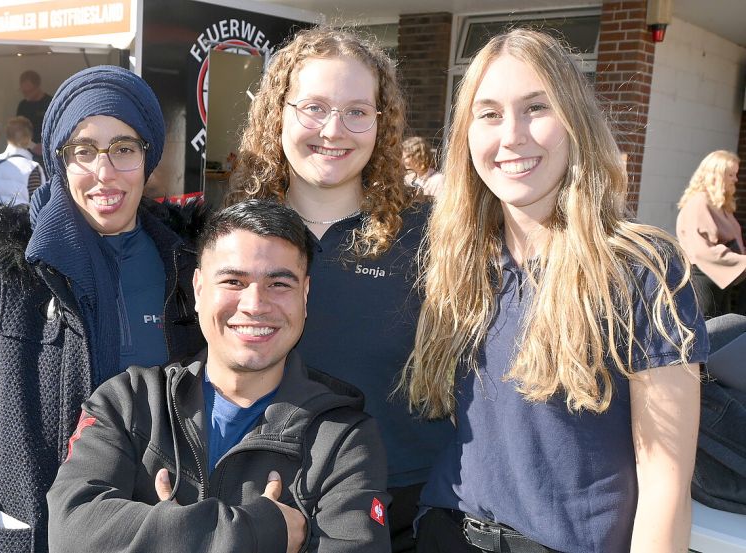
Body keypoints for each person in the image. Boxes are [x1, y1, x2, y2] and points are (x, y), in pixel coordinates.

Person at [401, 29, 707, 553]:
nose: (512, 135)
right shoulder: (457, 259)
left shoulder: (641, 268)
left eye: (536, 108)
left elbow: (666, 487)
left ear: (575, 122)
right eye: (489, 113)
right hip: (445, 530)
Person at [0, 65, 205, 553]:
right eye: (84, 150)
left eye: (124, 148)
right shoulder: (11, 267)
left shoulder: (189, 263)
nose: (104, 172)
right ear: (60, 159)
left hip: (161, 529)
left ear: (149, 156)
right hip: (43, 534)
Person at [47, 199, 391, 553]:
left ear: (305, 294)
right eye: (233, 281)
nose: (255, 305)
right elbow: (70, 534)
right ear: (198, 289)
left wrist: (164, 534)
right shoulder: (127, 402)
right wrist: (262, 531)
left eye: (279, 284)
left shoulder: (344, 439)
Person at [225, 26, 454, 552]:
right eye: (314, 107)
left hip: (405, 510)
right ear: (278, 111)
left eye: (357, 110)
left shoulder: (434, 235)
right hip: (265, 506)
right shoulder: (234, 234)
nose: (334, 129)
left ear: (382, 123)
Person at [676, 150, 745, 318]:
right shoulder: (699, 203)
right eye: (731, 174)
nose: (735, 179)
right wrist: (741, 261)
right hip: (705, 280)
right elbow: (701, 251)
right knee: (707, 331)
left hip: (720, 279)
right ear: (716, 175)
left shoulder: (720, 205)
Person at [0, 116, 45, 206]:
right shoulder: (31, 169)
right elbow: (38, 207)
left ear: (7, 137)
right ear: (29, 138)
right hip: (20, 220)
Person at [16, 70, 51, 159]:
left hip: (49, 152)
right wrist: (32, 146)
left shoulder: (51, 103)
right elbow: (17, 131)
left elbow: (58, 129)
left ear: (37, 87)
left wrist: (46, 146)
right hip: (28, 153)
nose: (25, 94)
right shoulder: (23, 106)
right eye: (23, 91)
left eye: (29, 91)